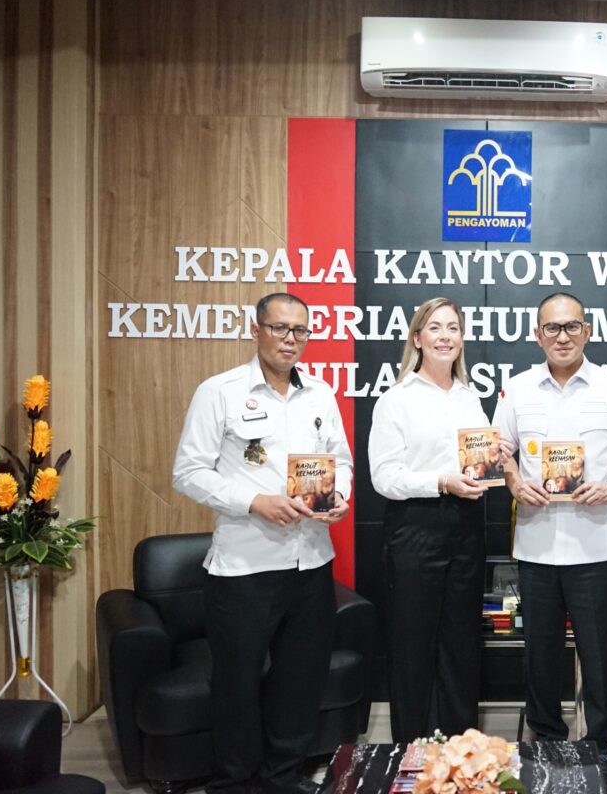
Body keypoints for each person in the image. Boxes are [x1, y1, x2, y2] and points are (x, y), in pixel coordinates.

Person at [172, 292, 353, 794]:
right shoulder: (221, 391)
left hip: (311, 560)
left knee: (299, 682)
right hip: (244, 567)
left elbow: (341, 459)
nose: (290, 339)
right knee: (236, 684)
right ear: (257, 331)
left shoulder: (319, 394)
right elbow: (187, 473)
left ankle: (284, 778)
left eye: (300, 331)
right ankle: (235, 783)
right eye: (280, 328)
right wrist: (255, 501)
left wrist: (340, 495)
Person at [493, 292, 607, 761]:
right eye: (552, 328)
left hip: (597, 543)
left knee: (599, 651)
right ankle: (546, 736)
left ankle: (598, 742)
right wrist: (513, 483)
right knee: (540, 650)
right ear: (536, 335)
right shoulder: (518, 388)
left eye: (571, 327)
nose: (562, 336)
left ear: (587, 331)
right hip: (537, 543)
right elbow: (499, 451)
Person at [368, 297, 496, 743]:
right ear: (417, 339)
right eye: (435, 328)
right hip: (415, 528)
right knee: (412, 643)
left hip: (466, 526)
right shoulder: (396, 400)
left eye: (454, 328)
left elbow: (480, 461)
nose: (445, 336)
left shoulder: (471, 398)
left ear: (462, 339)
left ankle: (462, 745)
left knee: (461, 642)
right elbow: (384, 477)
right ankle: (413, 748)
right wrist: (442, 481)